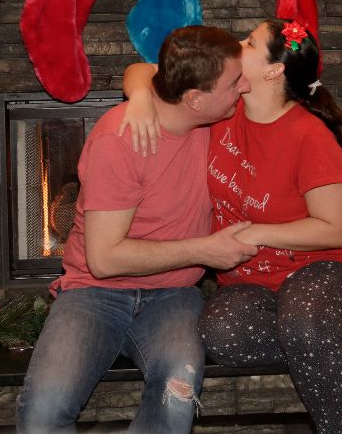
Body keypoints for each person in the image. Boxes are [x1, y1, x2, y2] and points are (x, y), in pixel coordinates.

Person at [121, 18, 342, 434]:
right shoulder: (220, 110)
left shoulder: (309, 135)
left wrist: (256, 232)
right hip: (250, 283)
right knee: (219, 335)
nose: (237, 44)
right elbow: (144, 70)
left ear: (273, 71)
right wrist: (142, 98)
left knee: (303, 322)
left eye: (250, 42)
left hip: (324, 271)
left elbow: (335, 229)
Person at [16, 25, 258, 434]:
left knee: (177, 390)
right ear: (195, 99)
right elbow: (105, 259)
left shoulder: (216, 119)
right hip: (94, 293)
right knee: (44, 410)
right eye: (235, 82)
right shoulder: (120, 139)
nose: (245, 87)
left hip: (173, 295)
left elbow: (143, 70)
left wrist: (141, 91)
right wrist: (205, 250)